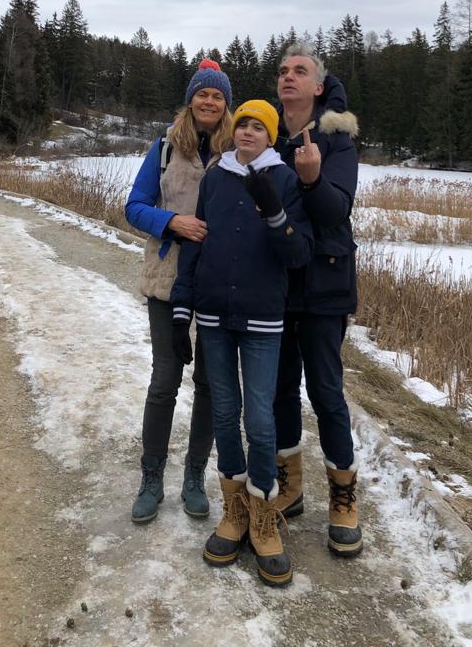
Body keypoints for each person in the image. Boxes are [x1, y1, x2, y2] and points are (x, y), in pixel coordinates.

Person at [171, 100, 312, 588]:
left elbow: (298, 254)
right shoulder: (215, 178)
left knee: (260, 420)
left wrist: (273, 211)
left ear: (271, 137)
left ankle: (264, 516)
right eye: (243, 125)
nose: (248, 132)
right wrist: (182, 307)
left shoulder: (285, 179)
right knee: (225, 414)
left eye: (259, 127)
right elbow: (196, 242)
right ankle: (234, 511)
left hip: (262, 319)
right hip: (214, 316)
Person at [124, 59, 233, 523]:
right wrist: (173, 222)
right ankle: (151, 478)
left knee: (209, 384)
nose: (209, 101)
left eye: (217, 95)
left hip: (217, 283)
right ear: (190, 100)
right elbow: (134, 206)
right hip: (166, 279)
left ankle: (194, 476)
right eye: (202, 93)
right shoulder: (165, 148)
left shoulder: (237, 151)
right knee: (165, 379)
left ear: (226, 104)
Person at [272, 42, 363, 557]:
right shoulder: (267, 136)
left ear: (318, 86)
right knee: (280, 389)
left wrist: (311, 178)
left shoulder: (336, 140)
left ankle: (343, 496)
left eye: (299, 71)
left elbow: (336, 212)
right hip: (276, 285)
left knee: (326, 391)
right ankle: (290, 486)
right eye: (283, 71)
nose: (288, 77)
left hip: (325, 285)